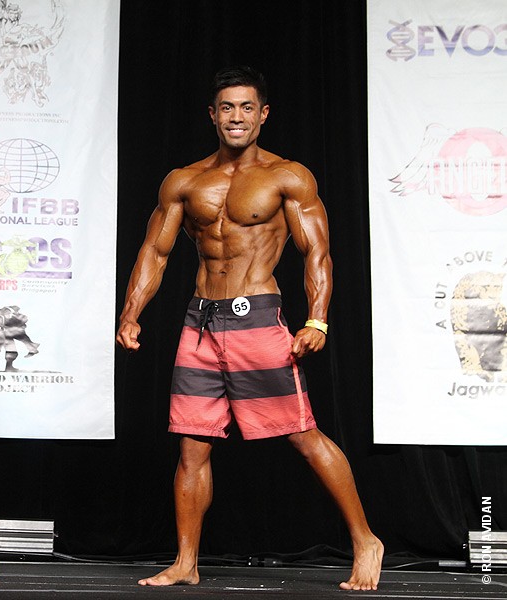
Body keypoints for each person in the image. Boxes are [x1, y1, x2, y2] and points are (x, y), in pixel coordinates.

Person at [115, 66, 383, 591]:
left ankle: (365, 539)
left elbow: (317, 252)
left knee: (302, 434)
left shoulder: (288, 176)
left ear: (263, 115)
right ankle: (186, 562)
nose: (236, 117)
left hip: (256, 316)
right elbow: (155, 251)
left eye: (246, 107)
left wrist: (317, 319)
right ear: (212, 115)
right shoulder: (184, 181)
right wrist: (130, 312)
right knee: (192, 446)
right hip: (199, 322)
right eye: (226, 107)